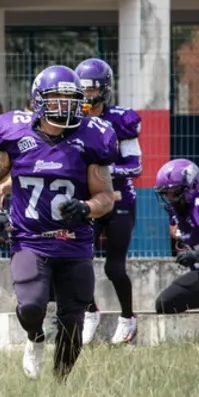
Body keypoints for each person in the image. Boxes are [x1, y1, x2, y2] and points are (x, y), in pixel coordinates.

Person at [0, 65, 118, 381]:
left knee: (73, 320)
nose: (64, 106)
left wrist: (85, 206)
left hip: (75, 241)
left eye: (70, 99)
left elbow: (106, 197)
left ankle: (60, 384)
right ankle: (35, 338)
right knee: (31, 307)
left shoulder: (92, 137)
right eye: (55, 99)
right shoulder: (15, 132)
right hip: (30, 239)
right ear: (39, 101)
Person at [75, 58, 143, 345]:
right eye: (82, 89)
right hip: (88, 200)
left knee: (114, 267)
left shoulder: (122, 119)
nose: (87, 96)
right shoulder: (74, 118)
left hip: (118, 198)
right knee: (78, 261)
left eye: (92, 89)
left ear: (104, 90)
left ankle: (128, 318)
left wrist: (101, 171)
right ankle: (90, 312)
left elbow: (135, 166)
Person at [152, 159, 199, 314]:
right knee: (165, 304)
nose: (170, 198)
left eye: (174, 192)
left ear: (191, 186)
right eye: (166, 193)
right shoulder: (178, 212)